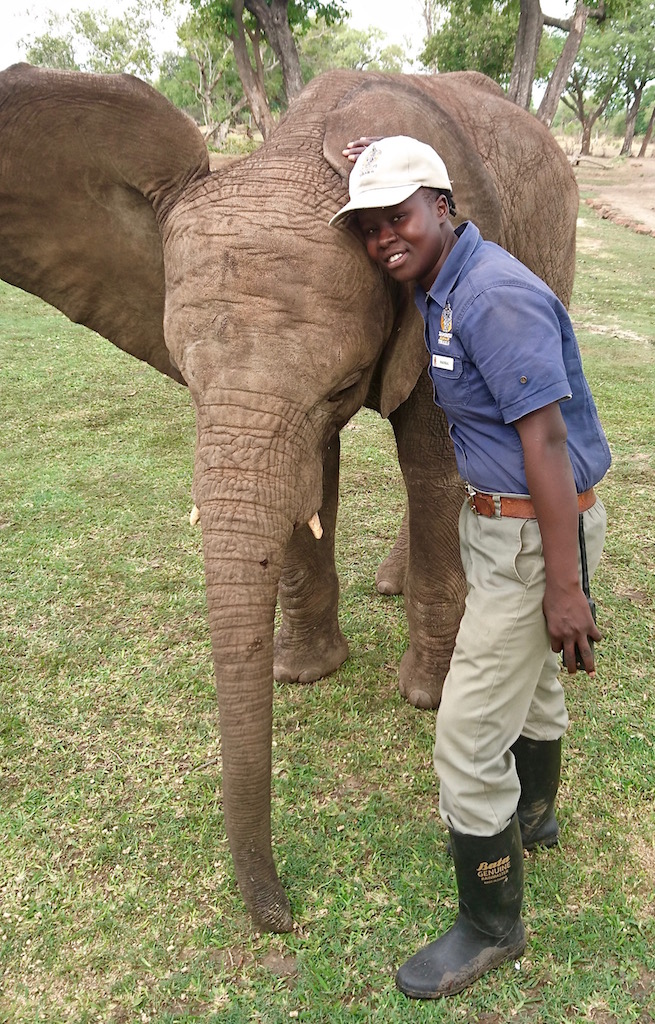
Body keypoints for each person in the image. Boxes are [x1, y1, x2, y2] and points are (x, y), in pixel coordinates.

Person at [329, 136, 611, 999]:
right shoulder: (444, 280)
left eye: (401, 216)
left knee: (462, 736)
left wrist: (563, 587)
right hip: (502, 531)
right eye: (371, 227)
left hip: (535, 536)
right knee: (529, 688)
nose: (385, 240)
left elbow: (547, 440)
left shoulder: (490, 296)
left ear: (443, 206)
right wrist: (372, 159)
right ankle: (534, 814)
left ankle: (492, 925)